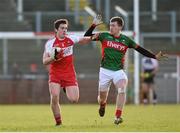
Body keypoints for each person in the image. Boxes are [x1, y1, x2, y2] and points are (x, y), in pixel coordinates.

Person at [84, 16, 167, 125]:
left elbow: (140, 49)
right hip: (104, 71)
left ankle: (117, 116)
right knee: (102, 98)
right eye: (110, 25)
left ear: (120, 27)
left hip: (118, 71)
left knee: (122, 88)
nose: (111, 27)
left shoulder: (126, 40)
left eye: (113, 25)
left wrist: (154, 57)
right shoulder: (104, 35)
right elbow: (86, 36)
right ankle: (102, 105)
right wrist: (93, 25)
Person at [42, 18, 92, 126]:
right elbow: (44, 61)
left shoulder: (71, 38)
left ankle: (65, 87)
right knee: (54, 96)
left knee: (74, 99)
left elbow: (86, 39)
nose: (64, 30)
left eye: (66, 28)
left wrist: (97, 33)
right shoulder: (50, 43)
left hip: (69, 73)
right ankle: (58, 122)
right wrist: (53, 58)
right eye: (62, 28)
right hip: (55, 73)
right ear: (56, 30)